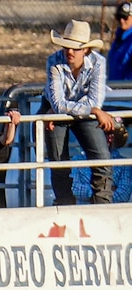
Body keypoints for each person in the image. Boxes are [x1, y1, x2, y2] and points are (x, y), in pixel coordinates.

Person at [43, 20, 114, 205]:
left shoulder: (98, 63)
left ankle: (102, 205)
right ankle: (64, 204)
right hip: (69, 110)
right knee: (59, 162)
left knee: (102, 159)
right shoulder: (53, 61)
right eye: (67, 47)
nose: (70, 51)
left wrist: (88, 108)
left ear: (86, 50)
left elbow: (94, 100)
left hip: (79, 111)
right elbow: (59, 104)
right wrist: (93, 110)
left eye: (75, 48)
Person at [72, 118, 132, 203]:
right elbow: (74, 189)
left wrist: (91, 192)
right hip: (83, 210)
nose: (109, 137)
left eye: (110, 133)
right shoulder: (77, 160)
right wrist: (105, 192)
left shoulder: (124, 164)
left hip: (113, 210)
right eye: (100, 133)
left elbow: (123, 195)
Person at [108, 2, 132, 81]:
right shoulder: (118, 40)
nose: (121, 20)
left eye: (125, 17)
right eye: (119, 17)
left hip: (126, 87)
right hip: (114, 85)